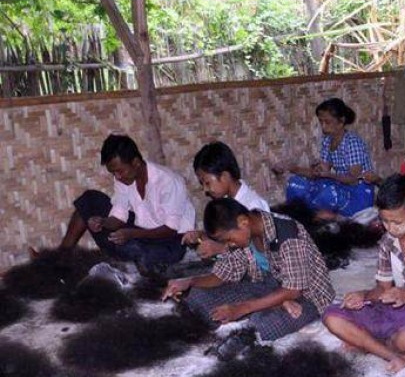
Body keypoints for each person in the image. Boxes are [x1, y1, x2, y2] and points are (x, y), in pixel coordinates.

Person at [322, 175, 405, 372]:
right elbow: (382, 289)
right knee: (331, 315)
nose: (390, 228)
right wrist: (363, 296)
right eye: (385, 221)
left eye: (396, 222)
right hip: (390, 312)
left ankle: (370, 343)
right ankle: (391, 354)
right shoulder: (388, 241)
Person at [163, 198, 334, 342]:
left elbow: (293, 290)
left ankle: (269, 309)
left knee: (263, 325)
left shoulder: (287, 234)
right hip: (268, 285)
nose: (228, 245)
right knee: (197, 295)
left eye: (229, 240)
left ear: (243, 222)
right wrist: (190, 281)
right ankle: (271, 304)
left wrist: (243, 308)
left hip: (307, 294)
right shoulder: (245, 234)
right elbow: (223, 274)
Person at [62, 134, 195, 273]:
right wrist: (102, 222)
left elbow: (171, 229)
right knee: (90, 200)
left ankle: (136, 263)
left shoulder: (167, 181)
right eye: (113, 173)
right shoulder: (123, 179)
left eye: (119, 171)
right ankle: (60, 257)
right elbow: (119, 217)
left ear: (136, 163)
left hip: (171, 241)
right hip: (140, 232)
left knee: (134, 249)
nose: (117, 177)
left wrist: (132, 234)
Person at [282, 98, 375, 217]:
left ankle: (316, 219)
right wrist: (293, 168)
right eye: (321, 122)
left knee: (327, 193)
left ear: (341, 121)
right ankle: (301, 219)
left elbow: (354, 180)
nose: (323, 126)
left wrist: (329, 175)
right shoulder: (327, 141)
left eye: (327, 122)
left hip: (358, 195)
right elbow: (320, 173)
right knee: (295, 184)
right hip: (341, 187)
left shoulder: (352, 142)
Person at [184, 142, 271, 259]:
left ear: (224, 176)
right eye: (202, 184)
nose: (205, 189)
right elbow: (227, 235)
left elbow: (260, 253)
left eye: (207, 182)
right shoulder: (226, 203)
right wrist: (202, 236)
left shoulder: (252, 205)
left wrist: (219, 249)